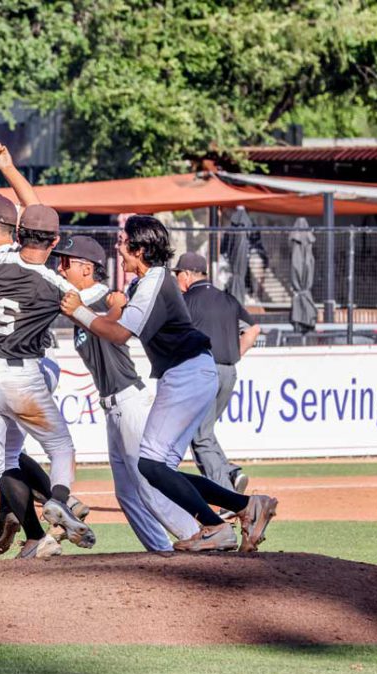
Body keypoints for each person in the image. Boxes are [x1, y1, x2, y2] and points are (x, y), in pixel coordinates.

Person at [61, 215, 278, 552]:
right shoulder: (145, 284)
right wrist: (116, 307)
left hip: (188, 372)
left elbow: (119, 334)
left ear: (141, 248)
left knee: (150, 465)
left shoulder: (154, 281)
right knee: (158, 468)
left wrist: (80, 312)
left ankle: (215, 526)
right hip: (185, 373)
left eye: (123, 241)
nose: (118, 247)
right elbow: (119, 322)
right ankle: (245, 506)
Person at [0, 199, 96, 563]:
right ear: (54, 242)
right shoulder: (57, 285)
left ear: (20, 233)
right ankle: (57, 499)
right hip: (22, 375)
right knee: (60, 447)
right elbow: (90, 321)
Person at [54, 235, 201, 552]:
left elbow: (116, 329)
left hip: (130, 401)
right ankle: (161, 551)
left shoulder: (108, 299)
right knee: (127, 494)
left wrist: (112, 307)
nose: (59, 267)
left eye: (65, 262)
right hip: (112, 408)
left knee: (148, 486)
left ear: (86, 268)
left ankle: (201, 538)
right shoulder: (76, 301)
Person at [174, 252, 261, 493]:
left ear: (188, 274)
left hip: (203, 373)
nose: (177, 279)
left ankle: (225, 493)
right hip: (228, 371)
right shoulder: (228, 299)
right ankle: (231, 473)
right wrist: (234, 353)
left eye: (178, 274)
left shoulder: (186, 301)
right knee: (204, 430)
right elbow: (254, 330)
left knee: (199, 435)